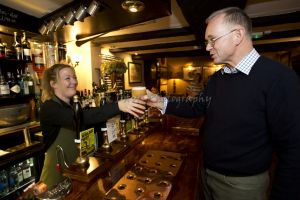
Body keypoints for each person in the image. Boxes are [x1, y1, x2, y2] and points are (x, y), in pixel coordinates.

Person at [144, 7, 300, 200]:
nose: (208, 47)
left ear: (237, 35)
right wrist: (159, 101)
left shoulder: (279, 78)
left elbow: (293, 149)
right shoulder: (219, 78)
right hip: (206, 173)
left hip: (241, 186)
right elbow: (197, 106)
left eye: (212, 39)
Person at [39, 63, 145, 188]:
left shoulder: (73, 105)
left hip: (77, 172)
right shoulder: (49, 107)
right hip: (55, 178)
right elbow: (80, 118)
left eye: (74, 77)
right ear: (53, 84)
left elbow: (92, 121)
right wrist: (118, 106)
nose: (74, 81)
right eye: (68, 78)